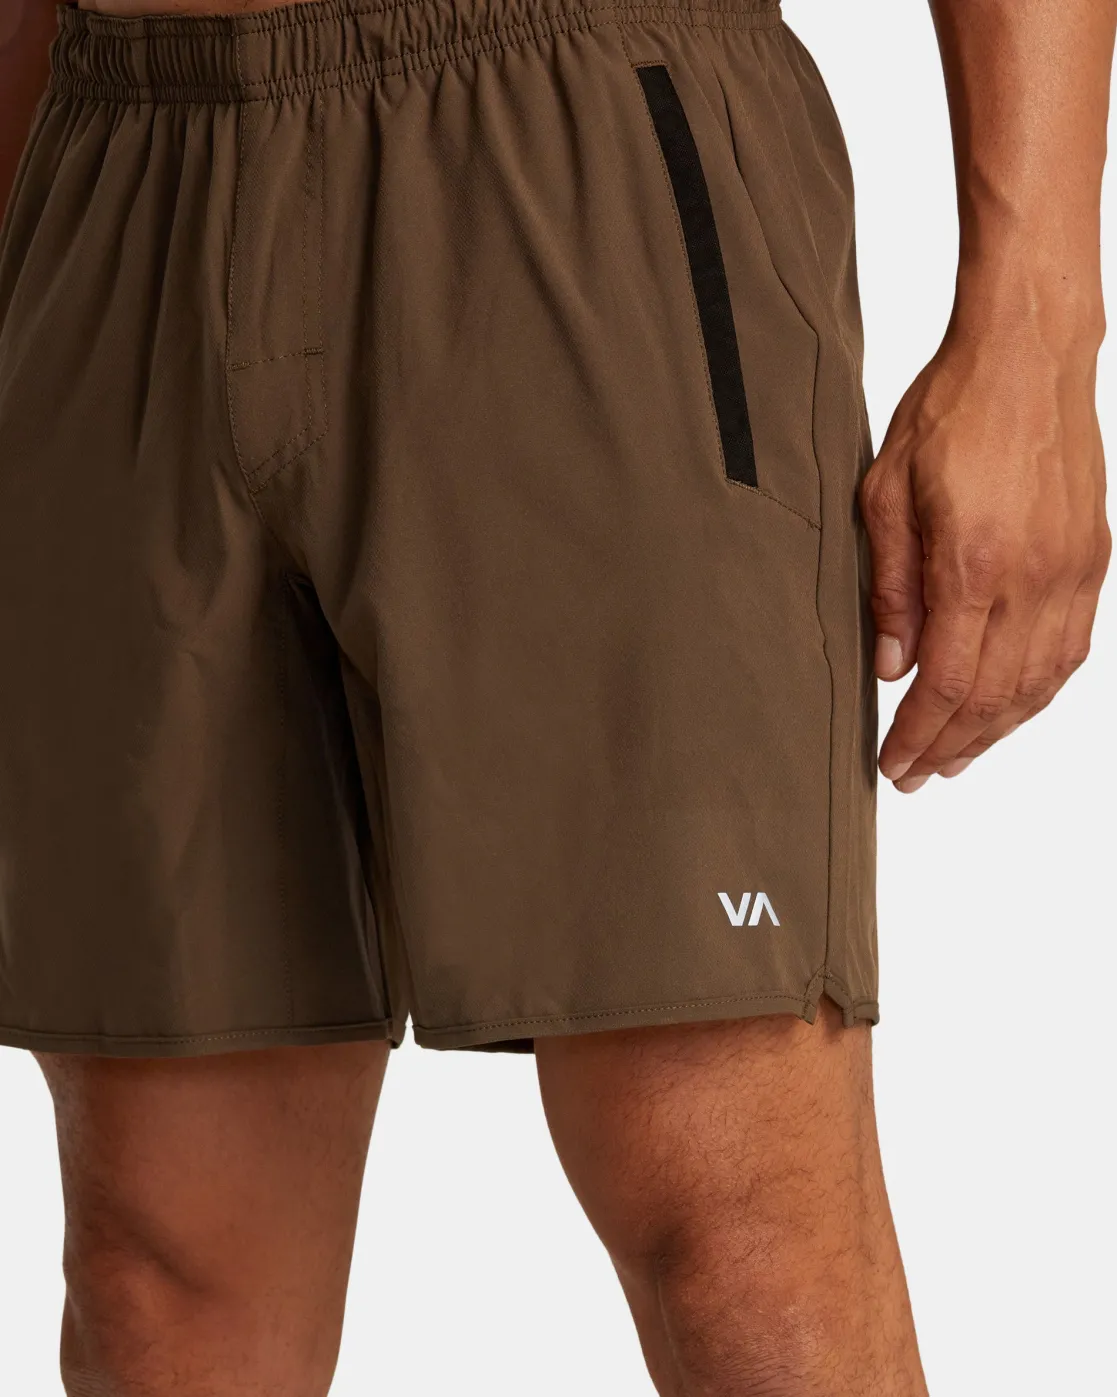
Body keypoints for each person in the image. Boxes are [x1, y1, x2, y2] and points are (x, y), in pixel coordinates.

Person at [0, 0, 1110, 1388]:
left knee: (740, 1241)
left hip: (565, 121)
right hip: (111, 164)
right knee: (160, 1288)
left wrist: (1034, 330)